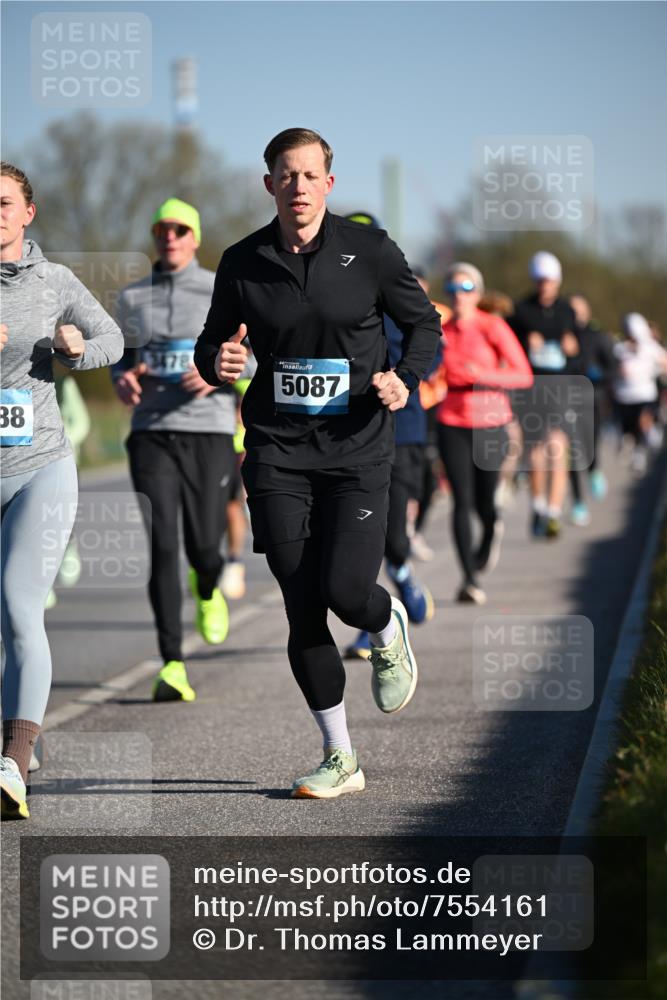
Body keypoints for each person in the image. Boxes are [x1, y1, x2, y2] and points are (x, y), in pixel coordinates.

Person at [195, 128, 441, 798]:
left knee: (343, 591)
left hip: (357, 447)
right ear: (268, 182)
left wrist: (405, 376)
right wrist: (217, 363)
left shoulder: (369, 252)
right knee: (302, 606)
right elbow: (211, 342)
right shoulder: (242, 261)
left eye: (310, 175)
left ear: (328, 184)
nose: (298, 186)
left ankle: (385, 622)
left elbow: (425, 326)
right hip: (277, 448)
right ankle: (339, 757)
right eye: (286, 174)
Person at [0, 162, 123, 819]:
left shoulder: (55, 282)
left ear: (28, 213)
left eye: (3, 203)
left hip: (39, 466)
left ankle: (12, 765)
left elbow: (114, 340)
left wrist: (76, 350)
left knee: (20, 607)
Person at [113, 198, 242, 702]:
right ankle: (172, 664)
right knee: (164, 545)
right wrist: (121, 379)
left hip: (209, 433)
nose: (170, 237)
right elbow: (119, 357)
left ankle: (207, 584)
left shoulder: (220, 289)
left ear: (195, 237)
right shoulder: (133, 298)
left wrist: (216, 374)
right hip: (151, 433)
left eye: (180, 229)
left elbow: (252, 356)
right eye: (162, 229)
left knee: (205, 546)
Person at [341, 218, 437, 662]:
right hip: (351, 438)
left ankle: (403, 575)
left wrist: (403, 379)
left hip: (406, 436)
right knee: (362, 537)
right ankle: (369, 627)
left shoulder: (401, 305)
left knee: (393, 537)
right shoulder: (334, 307)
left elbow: (431, 348)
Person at [437, 263, 533, 604]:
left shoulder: (492, 326)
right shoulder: (441, 331)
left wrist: (486, 374)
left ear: (477, 293)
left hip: (491, 420)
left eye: (465, 289)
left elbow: (523, 375)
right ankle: (469, 578)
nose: (458, 296)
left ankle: (492, 528)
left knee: (484, 503)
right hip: (451, 420)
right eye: (452, 290)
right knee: (460, 501)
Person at [509, 252, 581, 539]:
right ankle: (538, 506)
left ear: (557, 281)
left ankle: (553, 513)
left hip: (560, 387)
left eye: (549, 281)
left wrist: (572, 348)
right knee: (536, 451)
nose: (544, 286)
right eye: (540, 281)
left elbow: (579, 352)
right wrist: (527, 344)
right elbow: (510, 350)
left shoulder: (567, 310)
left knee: (558, 447)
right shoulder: (522, 310)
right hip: (531, 387)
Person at [569, 293, 617, 508]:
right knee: (569, 451)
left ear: (587, 312)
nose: (575, 315)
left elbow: (613, 368)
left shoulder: (598, 336)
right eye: (571, 311)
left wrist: (597, 375)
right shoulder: (563, 336)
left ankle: (594, 470)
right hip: (565, 399)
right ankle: (578, 501)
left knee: (589, 445)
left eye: (579, 310)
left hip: (593, 399)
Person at [612, 312, 667, 474]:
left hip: (645, 394)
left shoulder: (650, 347)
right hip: (625, 396)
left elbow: (664, 361)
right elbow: (611, 367)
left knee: (643, 422)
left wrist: (658, 371)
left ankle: (640, 453)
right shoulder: (620, 349)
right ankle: (633, 447)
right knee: (629, 430)